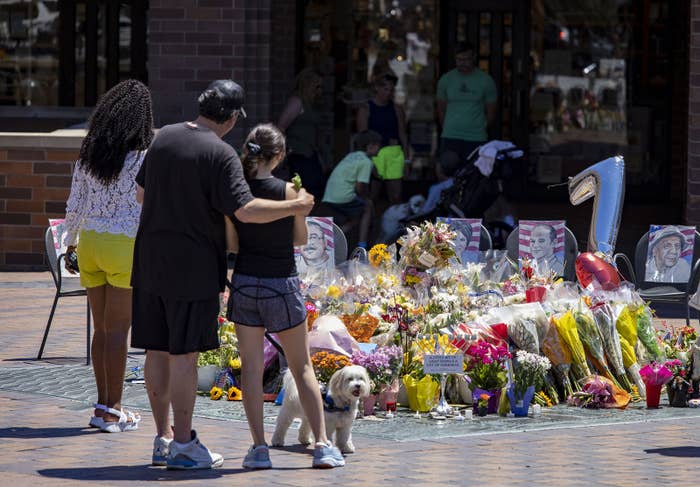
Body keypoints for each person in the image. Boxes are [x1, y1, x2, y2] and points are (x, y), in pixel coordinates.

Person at [130, 80, 314, 470]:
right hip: (191, 267)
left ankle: (162, 438)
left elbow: (140, 194)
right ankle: (184, 444)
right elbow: (245, 210)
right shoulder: (221, 153)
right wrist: (295, 206)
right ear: (232, 119)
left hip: (148, 260)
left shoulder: (162, 138)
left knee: (156, 350)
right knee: (184, 355)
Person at [228, 123, 345, 469]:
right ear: (279, 156)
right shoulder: (290, 194)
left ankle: (259, 448)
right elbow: (299, 239)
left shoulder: (236, 191)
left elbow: (231, 244)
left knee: (250, 369)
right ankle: (322, 445)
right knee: (302, 365)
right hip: (282, 282)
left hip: (246, 281)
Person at [63, 79, 153, 433]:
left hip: (90, 243)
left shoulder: (90, 153)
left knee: (100, 330)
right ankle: (114, 410)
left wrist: (70, 241)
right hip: (125, 246)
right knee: (119, 332)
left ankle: (101, 406)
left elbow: (75, 202)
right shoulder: (145, 158)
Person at [436, 42, 497, 179]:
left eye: (466, 59)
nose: (462, 63)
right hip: (451, 135)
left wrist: (481, 127)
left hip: (476, 137)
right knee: (446, 171)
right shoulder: (446, 80)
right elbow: (440, 110)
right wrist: (446, 128)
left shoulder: (486, 81)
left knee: (474, 175)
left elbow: (491, 112)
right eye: (459, 59)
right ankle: (450, 200)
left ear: (474, 58)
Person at [322, 130, 382, 249]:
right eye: (378, 146)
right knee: (367, 207)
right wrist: (367, 197)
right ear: (371, 146)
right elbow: (360, 187)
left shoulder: (351, 156)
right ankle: (362, 246)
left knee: (356, 215)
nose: (380, 150)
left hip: (329, 195)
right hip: (343, 197)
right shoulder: (366, 162)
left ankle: (335, 235)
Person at [356, 73, 408, 204]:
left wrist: (406, 159)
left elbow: (403, 134)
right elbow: (362, 137)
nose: (389, 93)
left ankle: (394, 223)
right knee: (371, 197)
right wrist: (366, 160)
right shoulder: (366, 108)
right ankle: (369, 223)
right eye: (385, 89)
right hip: (374, 155)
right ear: (376, 88)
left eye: (391, 90)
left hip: (393, 153)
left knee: (396, 197)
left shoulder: (397, 108)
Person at [277, 68, 326, 199]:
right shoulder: (297, 101)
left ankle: (308, 219)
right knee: (306, 191)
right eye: (317, 86)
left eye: (321, 86)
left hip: (310, 152)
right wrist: (282, 153)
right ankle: (300, 219)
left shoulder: (310, 103)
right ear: (308, 84)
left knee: (316, 190)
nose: (319, 90)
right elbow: (281, 126)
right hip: (298, 154)